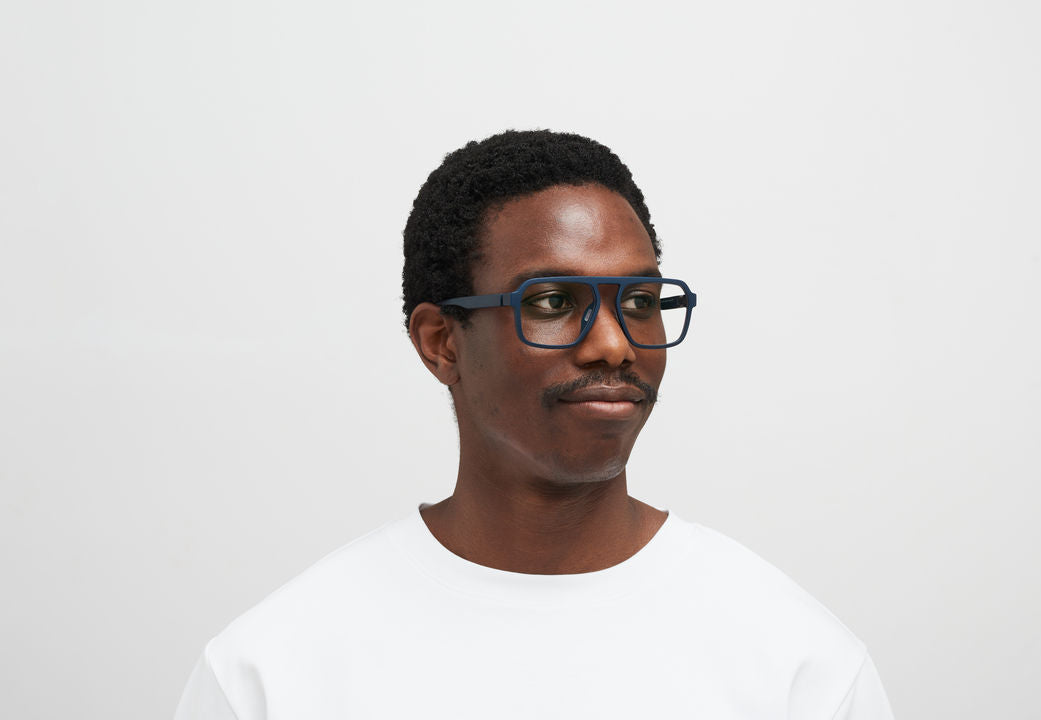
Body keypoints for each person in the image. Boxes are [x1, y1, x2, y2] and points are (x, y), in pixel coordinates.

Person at [175, 129, 895, 719]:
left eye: (640, 302)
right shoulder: (274, 672)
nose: (614, 344)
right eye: (553, 301)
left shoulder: (797, 665)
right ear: (441, 342)